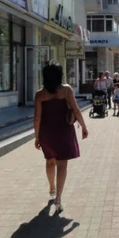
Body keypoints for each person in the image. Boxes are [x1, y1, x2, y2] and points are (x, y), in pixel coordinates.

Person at [34, 61, 88, 213]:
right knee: (62, 165)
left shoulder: (40, 94)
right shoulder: (66, 90)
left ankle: (51, 187)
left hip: (46, 133)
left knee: (50, 161)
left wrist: (37, 137)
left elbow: (37, 118)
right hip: (64, 131)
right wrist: (84, 127)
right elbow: (76, 110)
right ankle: (58, 198)